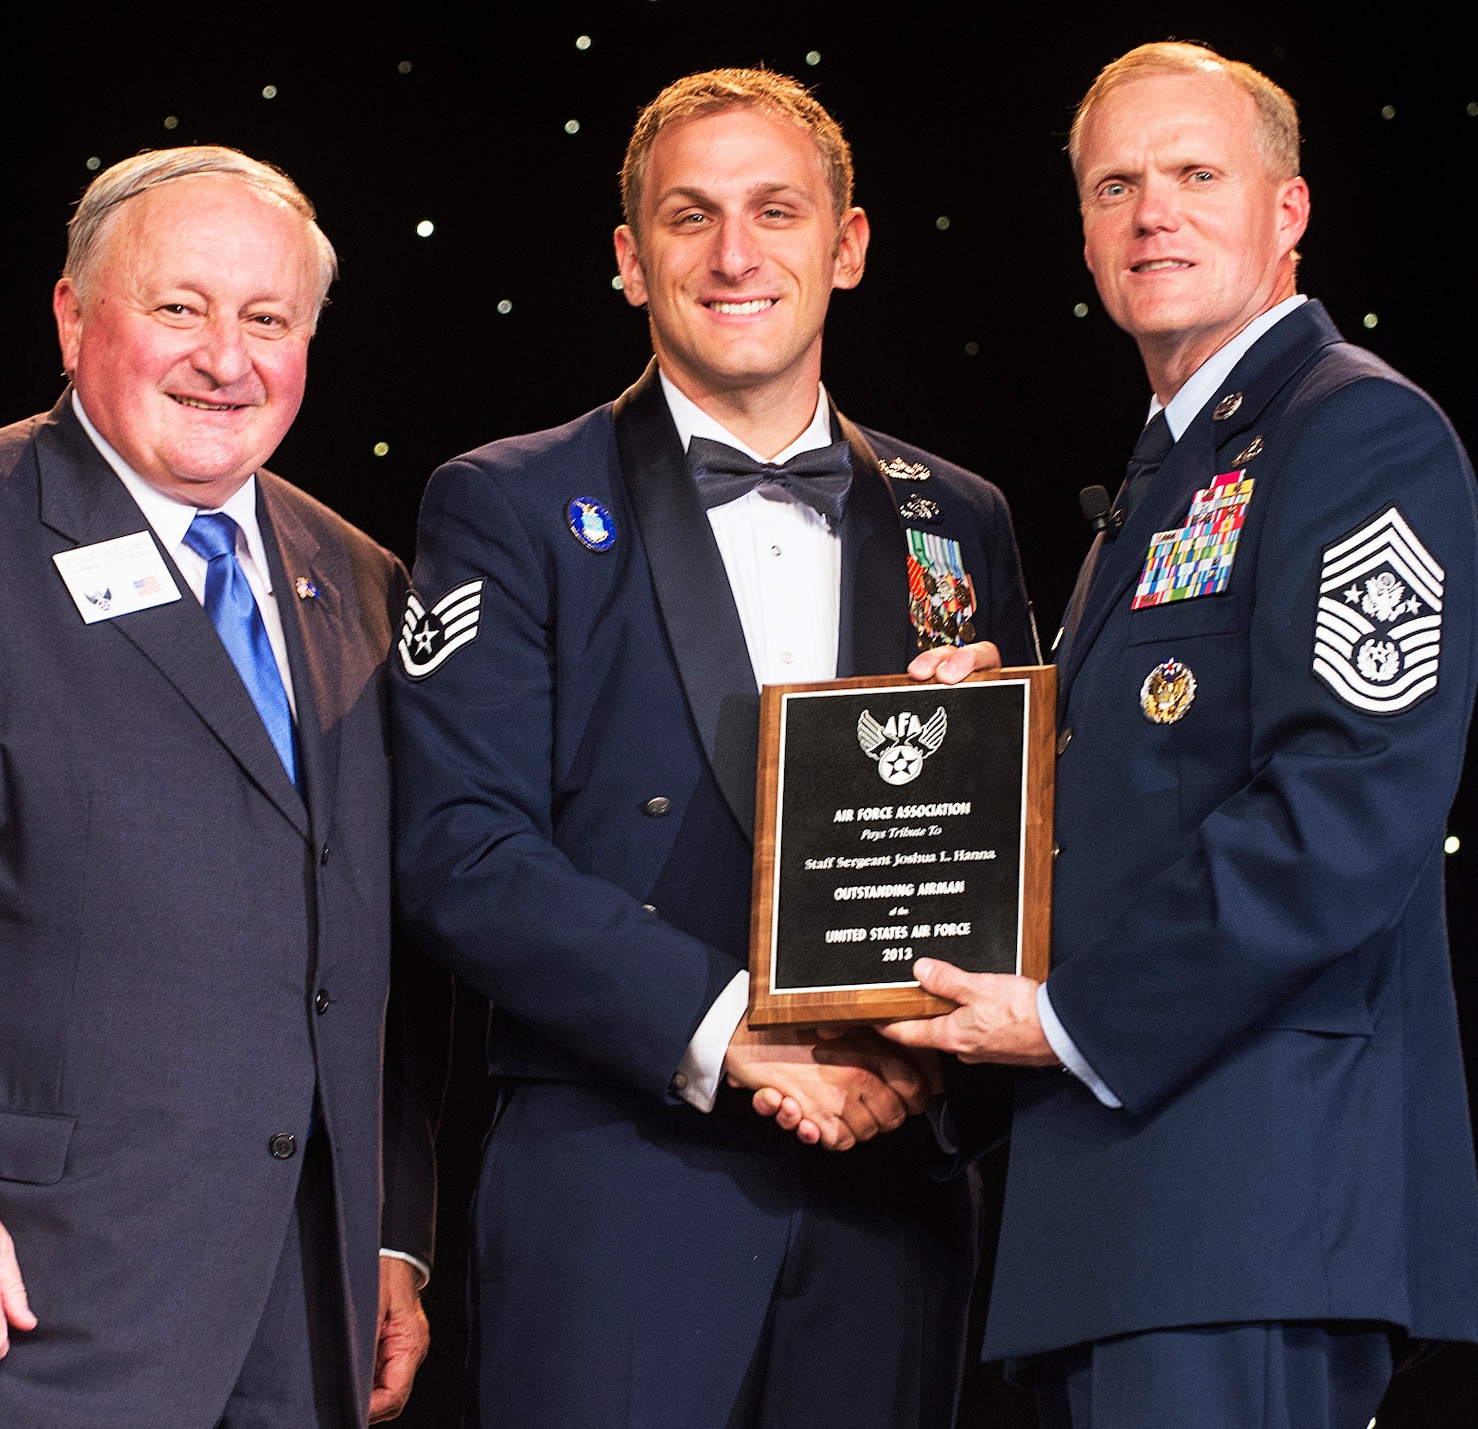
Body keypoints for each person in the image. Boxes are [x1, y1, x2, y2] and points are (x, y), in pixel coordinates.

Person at [0, 146, 443, 1429]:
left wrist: (391, 1232)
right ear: (73, 316)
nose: (224, 359)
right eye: (179, 307)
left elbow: (375, 946)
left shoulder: (357, 578)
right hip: (15, 1300)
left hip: (300, 1312)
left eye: (267, 319)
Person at [390, 69, 1037, 1429]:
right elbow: (459, 849)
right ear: (631, 261)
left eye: (775, 211)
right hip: (622, 1187)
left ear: (846, 246)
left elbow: (1023, 857)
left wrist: (918, 1067)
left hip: (888, 1191)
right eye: (691, 217)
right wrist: (732, 1031)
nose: (735, 255)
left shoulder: (958, 516)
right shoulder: (506, 501)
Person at [881, 42, 1478, 1429]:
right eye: (1117, 184)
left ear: (1288, 212)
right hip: (1138, 1207)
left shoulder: (1354, 435)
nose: (1153, 211)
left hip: (1247, 1197)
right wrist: (1021, 735)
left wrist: (1070, 1019)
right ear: (1088, 233)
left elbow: (1351, 802)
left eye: (1197, 174)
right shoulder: (1177, 467)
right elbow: (1169, 765)